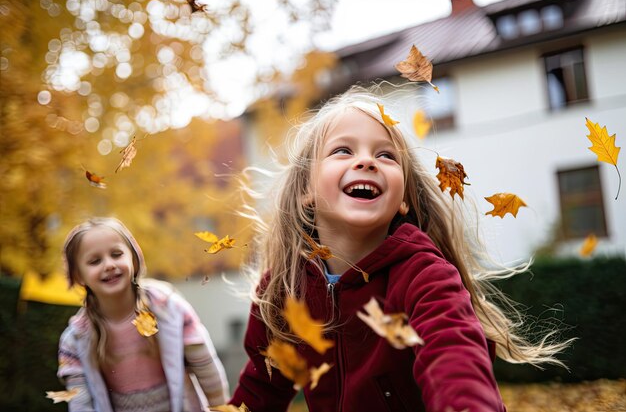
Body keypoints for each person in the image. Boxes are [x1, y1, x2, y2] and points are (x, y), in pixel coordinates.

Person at [229, 86, 571, 412]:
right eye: (343, 150)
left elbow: (455, 360)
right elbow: (259, 393)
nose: (366, 162)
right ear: (306, 188)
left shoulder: (426, 276)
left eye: (385, 155)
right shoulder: (284, 291)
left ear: (404, 199)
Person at [57, 217, 229, 412]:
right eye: (95, 261)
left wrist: (221, 408)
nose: (109, 265)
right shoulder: (76, 339)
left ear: (134, 259)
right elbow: (80, 403)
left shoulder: (168, 307)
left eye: (116, 254)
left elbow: (205, 366)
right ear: (79, 275)